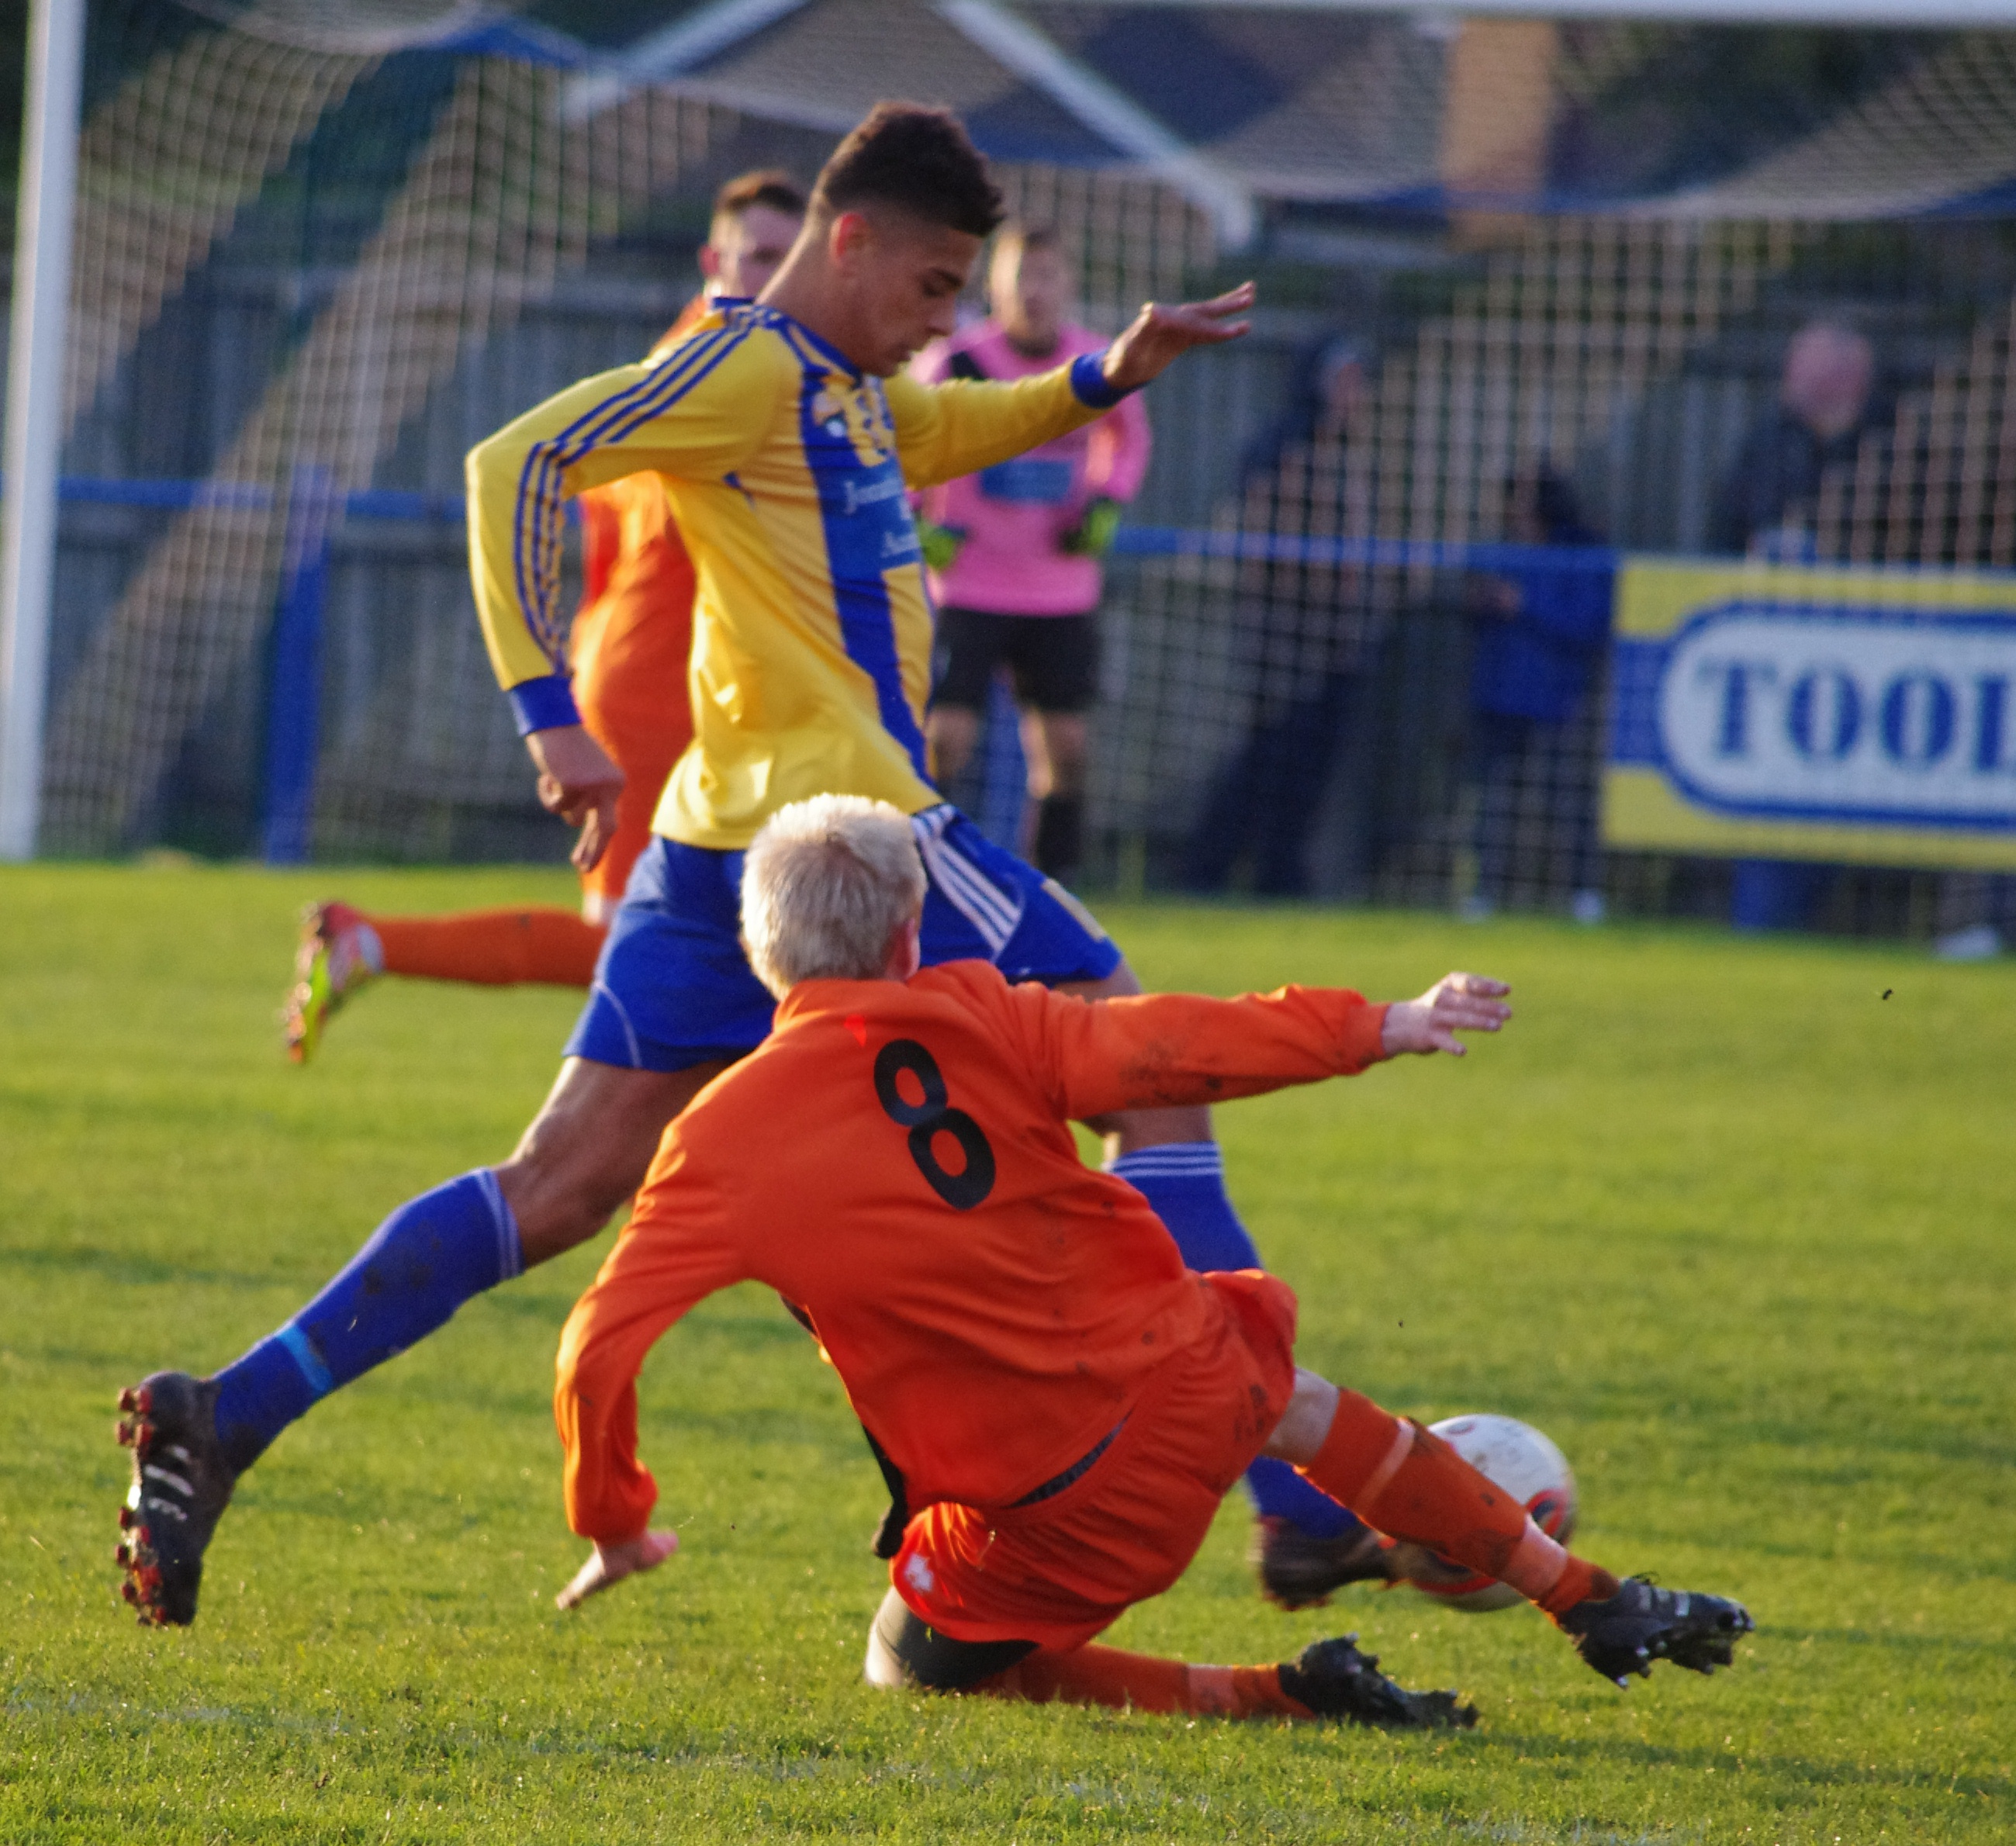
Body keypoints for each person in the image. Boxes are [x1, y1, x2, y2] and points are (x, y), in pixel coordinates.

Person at [112, 103, 1366, 1628]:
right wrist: (549, 717)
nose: (946, 322)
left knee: (560, 1184)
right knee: (1151, 1066)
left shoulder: (843, 387)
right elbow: (515, 460)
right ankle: (1297, 1505)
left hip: (721, 851)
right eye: (931, 288)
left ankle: (224, 1412)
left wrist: (1109, 374)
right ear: (852, 245)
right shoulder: (747, 364)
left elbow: (956, 429)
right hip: (852, 838)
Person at [548, 794, 1754, 1726]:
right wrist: (1376, 1024)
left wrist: (615, 1517)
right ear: (911, 934)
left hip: (1053, 1510)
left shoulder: (712, 1142)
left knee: (905, 1662)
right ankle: (1579, 1593)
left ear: (760, 950)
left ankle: (1269, 1696)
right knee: (1294, 1402)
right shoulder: (992, 1013)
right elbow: (1172, 1044)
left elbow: (596, 1346)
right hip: (1193, 1390)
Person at [283, 171, 808, 1063]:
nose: (773, 276)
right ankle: (368, 942)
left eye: (788, 258)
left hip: (679, 673)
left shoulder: (687, 361)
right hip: (655, 685)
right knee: (635, 945)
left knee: (738, 943)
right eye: (756, 255)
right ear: (711, 260)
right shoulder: (722, 368)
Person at [914, 223, 1152, 887]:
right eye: (1021, 277)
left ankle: (1054, 887)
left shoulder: (1094, 362)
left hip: (1058, 589)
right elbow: (907, 439)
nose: (1034, 291)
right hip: (970, 587)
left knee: (1066, 751)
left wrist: (1106, 502)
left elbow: (1128, 438)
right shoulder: (957, 362)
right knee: (944, 742)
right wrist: (917, 519)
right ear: (993, 285)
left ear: (1068, 285)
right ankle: (922, 878)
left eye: (1046, 276)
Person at [1182, 337, 1381, 897]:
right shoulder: (1285, 449)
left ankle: (1280, 869)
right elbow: (1260, 537)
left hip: (1337, 638)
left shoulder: (1350, 452)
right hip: (1284, 636)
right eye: (1342, 380)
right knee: (1270, 754)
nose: (1353, 395)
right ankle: (1211, 865)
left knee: (1311, 762)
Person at [1710, 319, 1880, 934]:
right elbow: (1722, 527)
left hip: (1860, 660)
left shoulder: (1885, 447)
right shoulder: (1766, 443)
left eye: (1809, 368)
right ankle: (1759, 922)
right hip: (1772, 662)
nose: (1795, 381)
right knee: (1769, 802)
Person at [1458, 470, 1614, 921]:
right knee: (1493, 801)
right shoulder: (1500, 552)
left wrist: (1523, 604)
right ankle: (1482, 891)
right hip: (1498, 698)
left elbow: (1588, 624)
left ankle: (1584, 893)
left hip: (1558, 700)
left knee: (1568, 800)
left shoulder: (1581, 554)